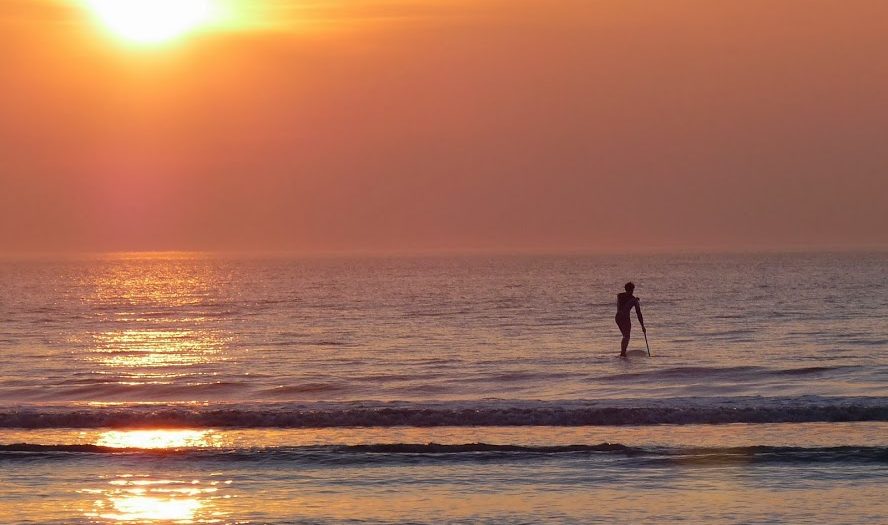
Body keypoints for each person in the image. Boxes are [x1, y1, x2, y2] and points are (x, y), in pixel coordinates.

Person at [615, 281, 645, 357]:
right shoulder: (629, 299)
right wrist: (634, 300)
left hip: (620, 317)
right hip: (622, 318)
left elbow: (638, 312)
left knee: (626, 336)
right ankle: (623, 353)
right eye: (631, 290)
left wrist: (642, 326)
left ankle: (623, 352)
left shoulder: (621, 296)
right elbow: (638, 312)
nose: (631, 292)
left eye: (632, 290)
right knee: (626, 336)